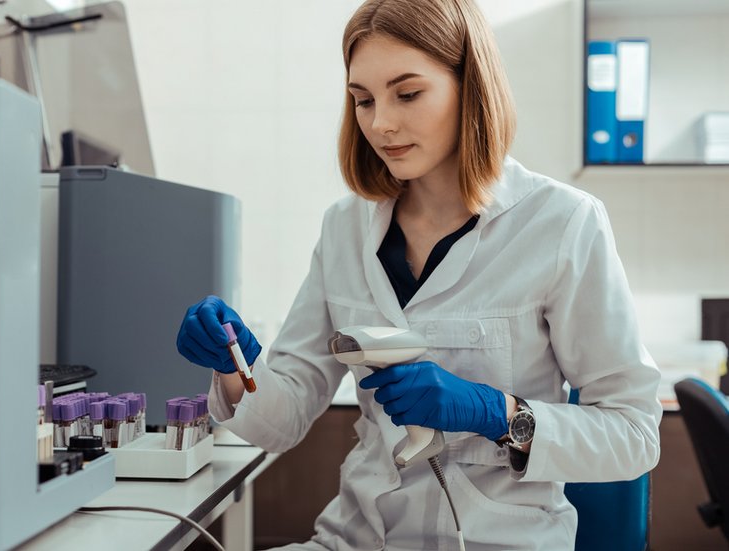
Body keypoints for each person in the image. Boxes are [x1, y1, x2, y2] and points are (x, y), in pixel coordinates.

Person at [175, 0, 662, 548]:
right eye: (363, 100)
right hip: (353, 539)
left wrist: (494, 412)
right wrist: (236, 363)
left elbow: (634, 433)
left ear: (469, 86)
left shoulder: (561, 223)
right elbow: (282, 418)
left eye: (407, 93)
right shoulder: (345, 227)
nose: (380, 123)